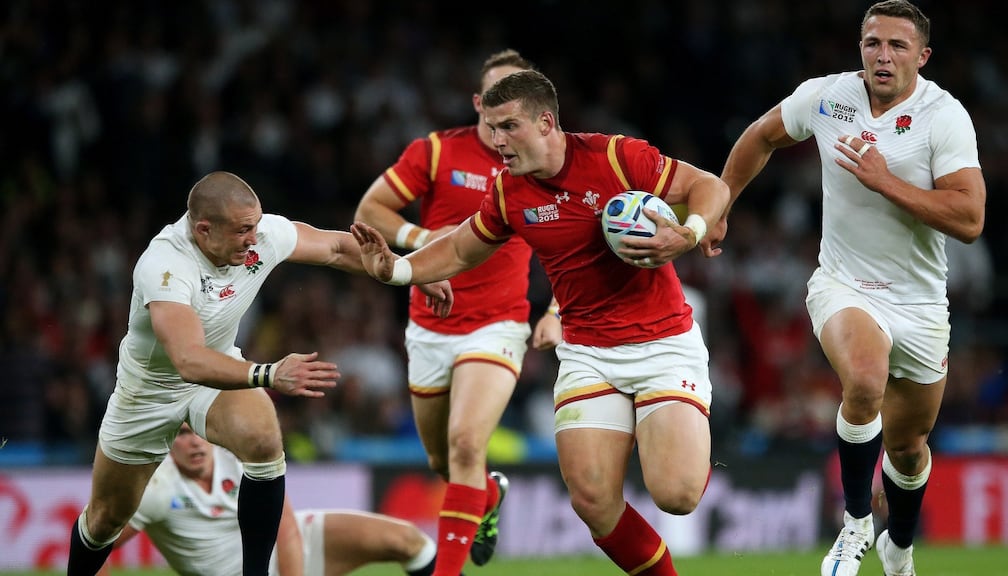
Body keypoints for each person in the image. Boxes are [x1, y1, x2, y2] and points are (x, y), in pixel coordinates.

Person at [352, 69, 730, 576]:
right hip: (587, 353)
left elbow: (707, 185)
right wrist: (398, 269)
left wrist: (690, 232)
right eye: (490, 127)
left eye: (508, 127)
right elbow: (462, 248)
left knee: (678, 495)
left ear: (546, 122)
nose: (496, 140)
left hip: (662, 343)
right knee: (593, 502)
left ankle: (679, 430)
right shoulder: (510, 193)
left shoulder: (616, 156)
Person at [705, 2, 986, 575]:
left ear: (922, 56)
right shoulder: (827, 97)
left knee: (908, 450)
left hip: (920, 303)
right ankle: (855, 523)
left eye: (898, 46)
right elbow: (760, 136)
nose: (883, 55)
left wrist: (886, 182)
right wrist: (720, 206)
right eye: (873, 43)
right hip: (844, 283)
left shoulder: (944, 117)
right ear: (860, 47)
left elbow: (970, 218)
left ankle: (898, 548)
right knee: (863, 376)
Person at [67, 170, 453, 576]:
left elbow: (338, 248)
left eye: (255, 225)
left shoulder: (260, 233)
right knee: (105, 520)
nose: (254, 239)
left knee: (263, 439)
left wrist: (404, 271)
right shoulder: (165, 265)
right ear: (203, 229)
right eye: (242, 231)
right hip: (149, 392)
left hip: (216, 372)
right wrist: (269, 374)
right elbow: (187, 360)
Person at [353, 48, 538, 575]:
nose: (503, 110)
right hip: (429, 327)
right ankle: (487, 496)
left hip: (498, 323)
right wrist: (421, 237)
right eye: (495, 96)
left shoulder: (533, 165)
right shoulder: (435, 152)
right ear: (478, 101)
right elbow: (370, 210)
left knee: (464, 443)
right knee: (443, 461)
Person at [99, 424, 450, 576]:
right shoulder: (157, 489)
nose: (194, 443)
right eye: (182, 435)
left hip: (289, 551)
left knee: (408, 539)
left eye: (198, 433)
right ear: (167, 441)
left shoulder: (233, 456)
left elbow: (285, 526)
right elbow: (97, 541)